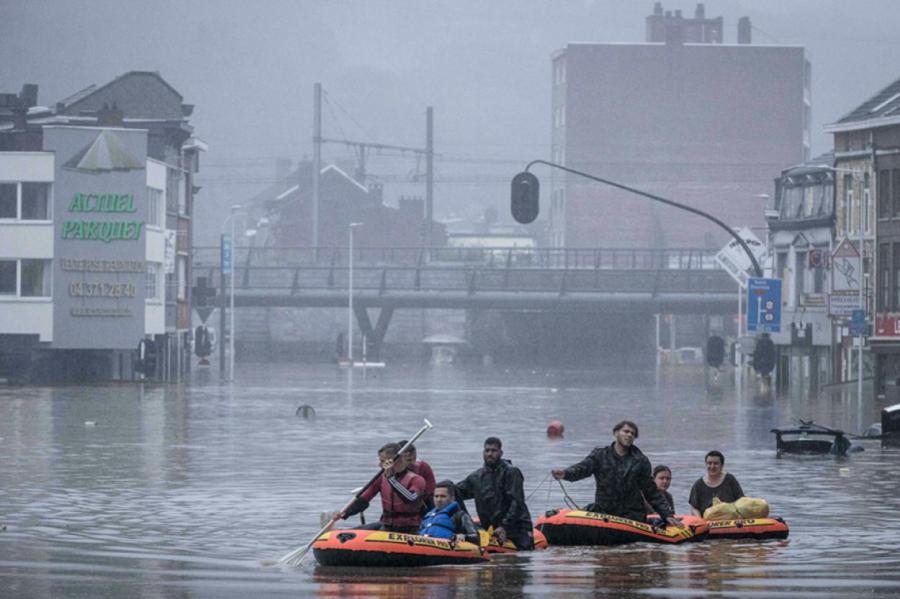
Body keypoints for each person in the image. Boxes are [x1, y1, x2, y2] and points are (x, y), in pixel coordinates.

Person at [552, 420, 681, 527]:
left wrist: (667, 515)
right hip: (604, 511)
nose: (629, 435)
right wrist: (565, 474)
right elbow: (582, 469)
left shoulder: (641, 461)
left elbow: (650, 490)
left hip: (631, 515)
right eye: (626, 431)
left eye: (633, 433)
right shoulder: (600, 455)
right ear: (616, 433)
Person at [456, 437, 535, 550]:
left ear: (501, 453)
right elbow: (455, 492)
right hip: (491, 527)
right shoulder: (477, 477)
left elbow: (517, 502)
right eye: (487, 451)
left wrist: (504, 527)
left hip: (518, 527)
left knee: (523, 556)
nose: (490, 454)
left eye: (494, 451)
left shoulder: (512, 472)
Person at [340, 442, 426, 534]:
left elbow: (410, 498)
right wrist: (344, 513)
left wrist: (392, 480)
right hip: (387, 525)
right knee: (350, 533)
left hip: (409, 529)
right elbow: (364, 499)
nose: (379, 465)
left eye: (382, 461)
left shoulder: (417, 480)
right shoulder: (381, 478)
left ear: (394, 461)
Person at [689, 450, 744, 517]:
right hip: (707, 522)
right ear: (706, 465)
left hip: (730, 521)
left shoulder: (730, 480)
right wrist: (700, 521)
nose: (712, 466)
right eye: (709, 463)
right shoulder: (698, 485)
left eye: (716, 463)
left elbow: (741, 500)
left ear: (722, 466)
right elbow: (694, 507)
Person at [398, 440, 436, 512]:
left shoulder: (423, 467)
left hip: (422, 505)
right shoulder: (391, 472)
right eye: (405, 452)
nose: (409, 454)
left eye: (412, 452)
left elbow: (431, 489)